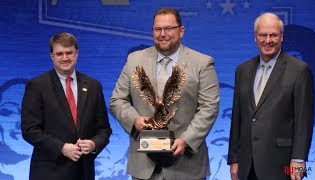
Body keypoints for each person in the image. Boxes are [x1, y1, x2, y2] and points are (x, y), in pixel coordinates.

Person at [110, 8, 220, 180]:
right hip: (144, 167)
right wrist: (134, 120)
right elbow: (118, 100)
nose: (163, 34)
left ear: (181, 31)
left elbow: (209, 108)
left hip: (186, 167)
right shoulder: (134, 59)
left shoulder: (202, 63)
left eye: (169, 28)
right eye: (157, 29)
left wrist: (186, 140)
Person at [227, 13, 315, 180]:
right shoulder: (242, 70)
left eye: (273, 35)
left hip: (282, 165)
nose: (268, 40)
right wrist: (234, 159)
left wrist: (298, 159)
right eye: (263, 35)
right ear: (255, 37)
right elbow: (237, 118)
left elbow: (304, 120)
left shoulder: (299, 70)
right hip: (247, 164)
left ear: (281, 37)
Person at [21, 32, 112, 180]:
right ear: (52, 56)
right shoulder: (37, 86)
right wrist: (61, 148)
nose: (65, 58)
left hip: (83, 172)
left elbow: (104, 129)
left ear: (76, 54)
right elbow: (30, 130)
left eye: (69, 52)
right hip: (49, 172)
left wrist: (93, 144)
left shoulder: (93, 85)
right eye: (59, 54)